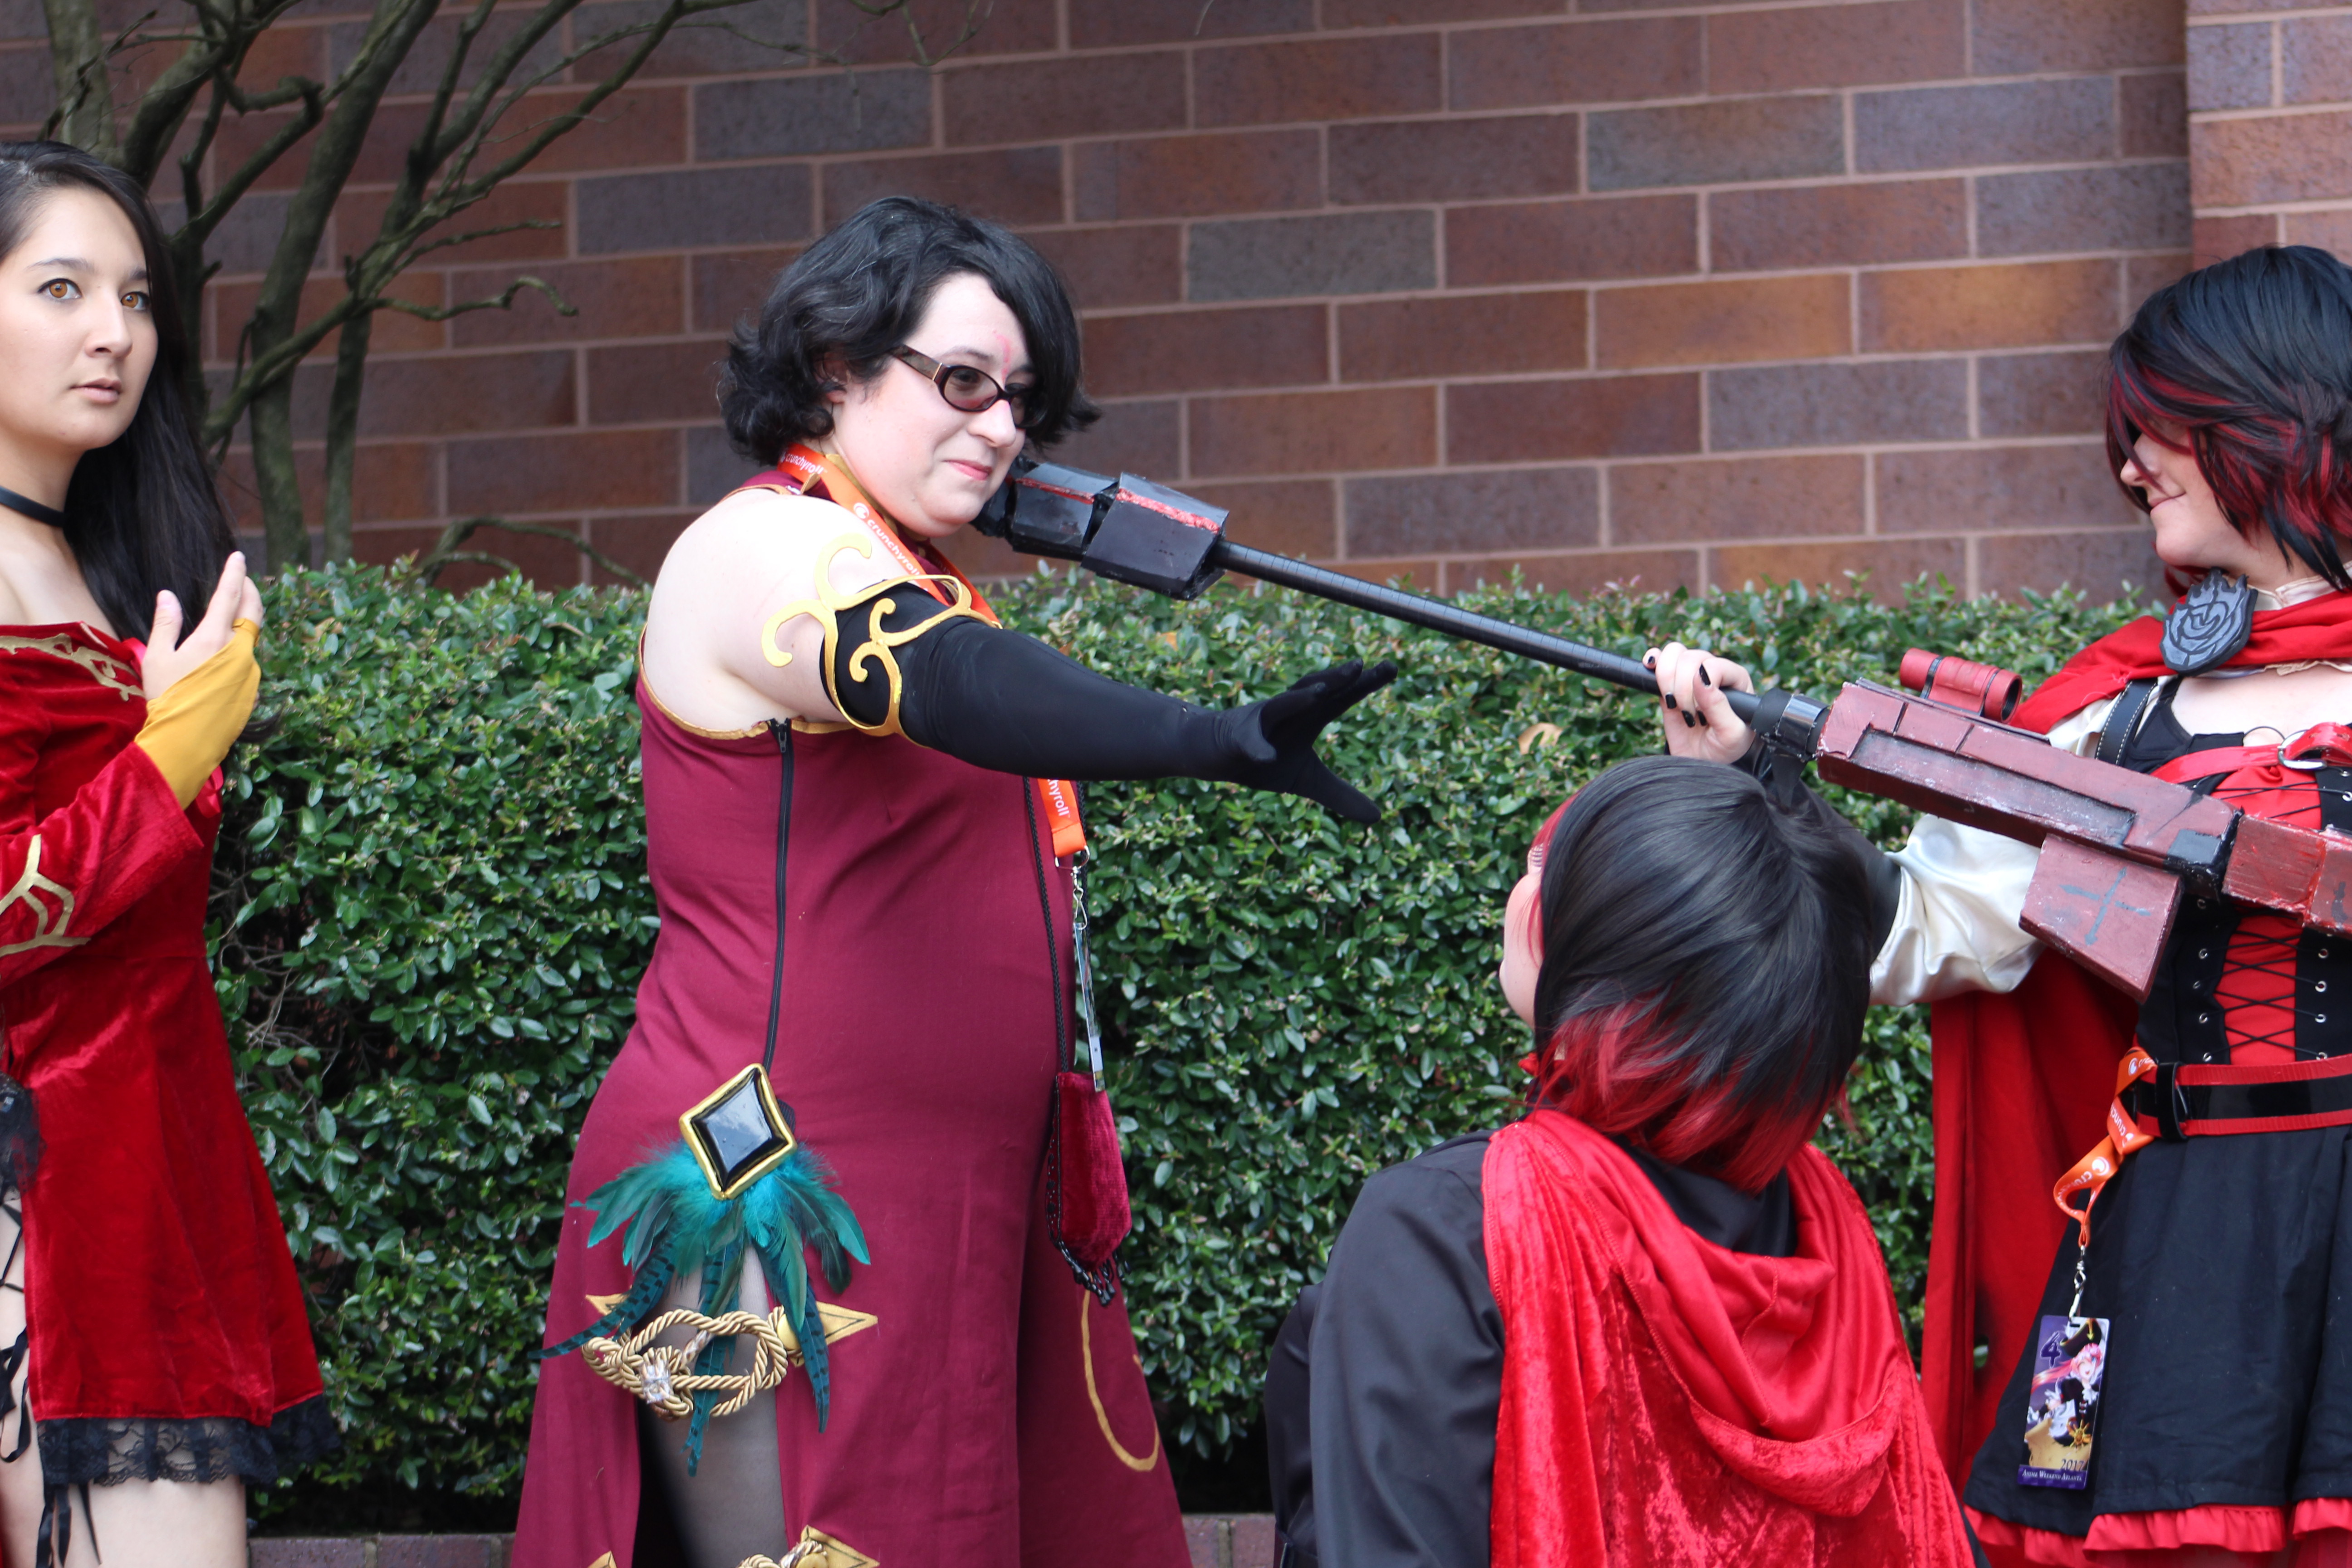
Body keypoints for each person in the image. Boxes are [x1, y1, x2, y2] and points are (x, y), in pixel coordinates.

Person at [512, 196, 1395, 1568]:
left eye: (1020, 400)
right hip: (776, 1188)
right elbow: (944, 679)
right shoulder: (764, 545)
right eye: (964, 382)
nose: (1000, 429)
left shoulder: (905, 565)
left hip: (964, 1202)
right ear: (837, 369)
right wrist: (1209, 739)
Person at [1649, 244, 2352, 1564]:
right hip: (2182, 1238)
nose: (2132, 468)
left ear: (2276, 418)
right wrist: (1759, 782)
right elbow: (1928, 932)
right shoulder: (2112, 713)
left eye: (2160, 428)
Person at [1264, 755, 1979, 1568]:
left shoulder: (1447, 1230)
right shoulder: (1825, 1224)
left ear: (1615, 984)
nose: (1528, 884)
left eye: (1553, 871)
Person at [0, 142, 334, 1567]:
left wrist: (168, 749)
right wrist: (170, 754)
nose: (114, 333)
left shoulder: (102, 569)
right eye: (61, 289)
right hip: (38, 1198)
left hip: (149, 1165)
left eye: (135, 297)